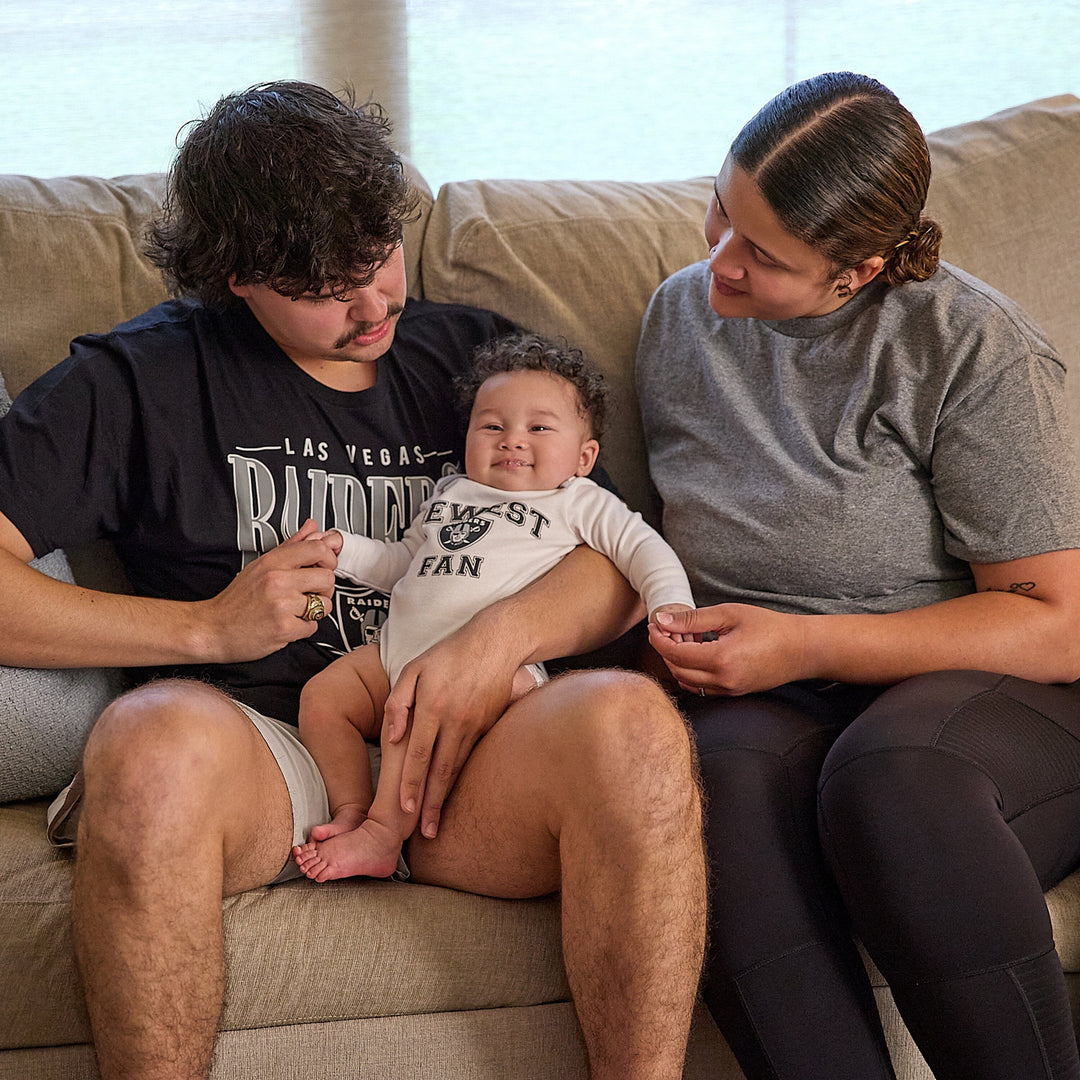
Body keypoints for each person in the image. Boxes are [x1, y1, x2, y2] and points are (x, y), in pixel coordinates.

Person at [0, 81, 707, 1080]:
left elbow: (612, 556)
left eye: (380, 260)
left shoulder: (474, 359)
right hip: (268, 755)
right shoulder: (138, 383)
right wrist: (205, 628)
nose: (373, 305)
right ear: (236, 275)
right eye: (330, 288)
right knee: (148, 745)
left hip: (479, 753)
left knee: (635, 726)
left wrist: (494, 641)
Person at [637, 71, 1080, 1080]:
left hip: (982, 693)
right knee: (712, 790)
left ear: (859, 269)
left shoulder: (967, 346)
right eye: (720, 209)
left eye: (764, 255)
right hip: (775, 697)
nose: (718, 265)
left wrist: (808, 640)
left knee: (890, 782)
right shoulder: (678, 320)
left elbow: (1056, 622)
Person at [292, 332, 695, 883]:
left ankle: (384, 836)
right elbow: (403, 562)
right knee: (323, 698)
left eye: (538, 428)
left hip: (498, 675)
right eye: (492, 426)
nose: (512, 441)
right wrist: (344, 550)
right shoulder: (450, 494)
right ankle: (353, 810)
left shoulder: (576, 500)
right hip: (392, 655)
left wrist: (672, 609)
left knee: (420, 707)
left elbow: (645, 550)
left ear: (584, 456)